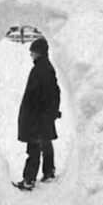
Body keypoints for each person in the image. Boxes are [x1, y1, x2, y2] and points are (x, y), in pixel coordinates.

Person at [13, 37, 61, 191]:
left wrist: (31, 116)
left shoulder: (38, 70)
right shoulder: (48, 68)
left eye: (32, 51)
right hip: (44, 115)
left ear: (38, 52)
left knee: (33, 147)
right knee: (45, 142)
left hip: (37, 116)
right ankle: (49, 172)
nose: (30, 54)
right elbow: (55, 92)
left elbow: (33, 96)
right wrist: (51, 111)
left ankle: (29, 180)